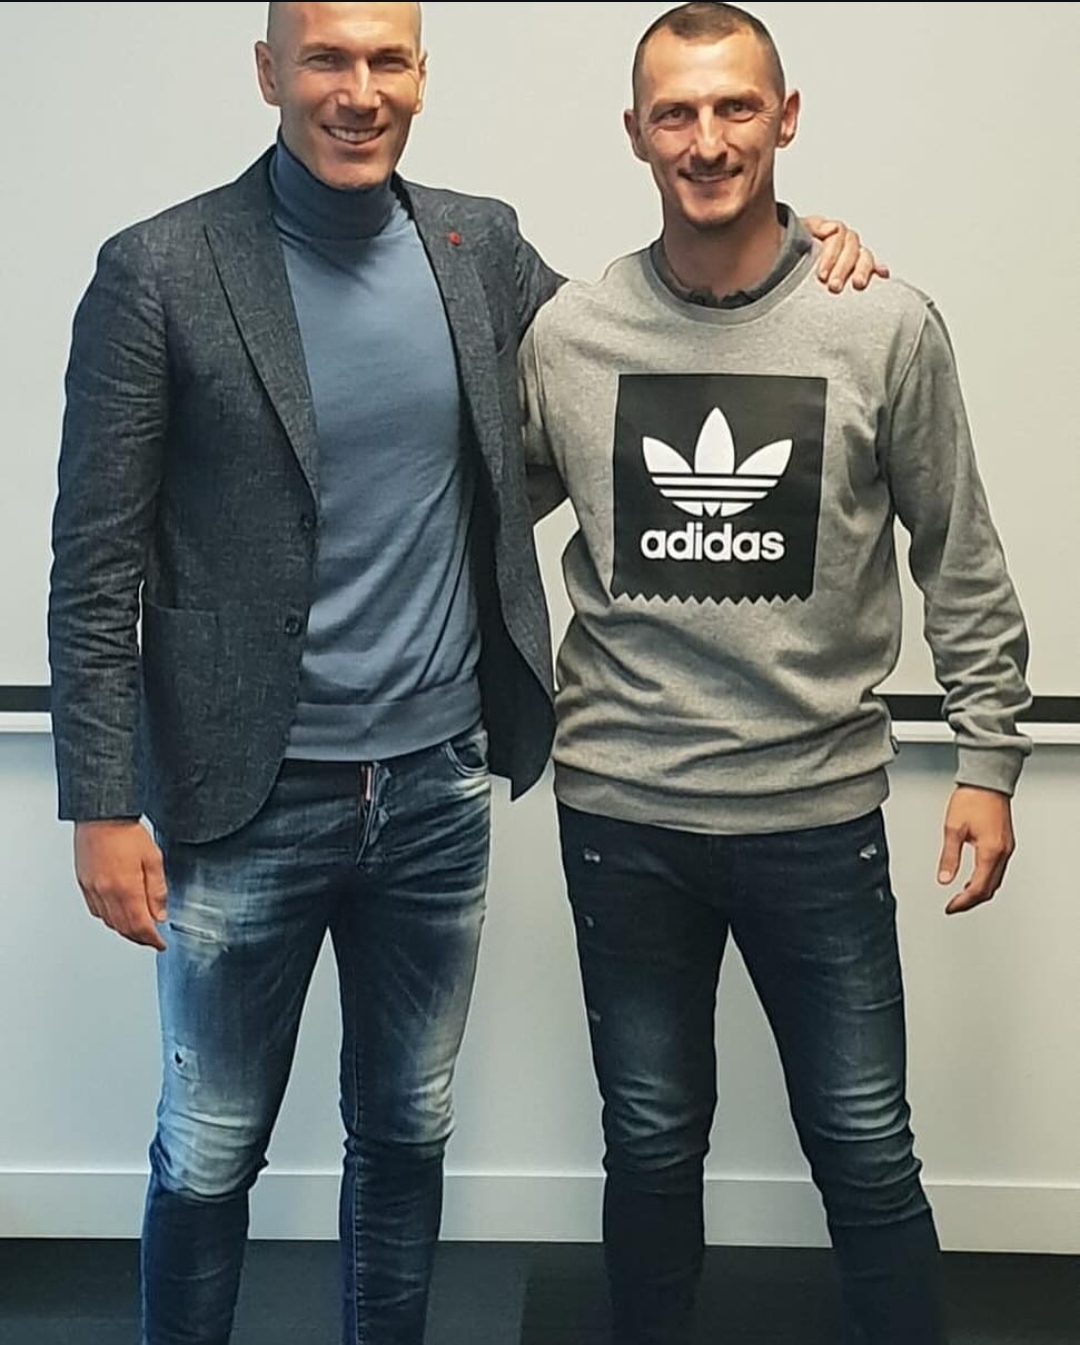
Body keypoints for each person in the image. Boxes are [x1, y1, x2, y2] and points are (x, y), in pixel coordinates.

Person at [47, 4, 883, 1343]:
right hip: (240, 796)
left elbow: (650, 332)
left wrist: (798, 244)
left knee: (405, 1131)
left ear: (422, 76)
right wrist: (100, 801)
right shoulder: (160, 269)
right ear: (270, 72)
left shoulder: (475, 246)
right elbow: (94, 562)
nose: (357, 90)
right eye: (326, 58)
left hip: (436, 788)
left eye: (387, 59)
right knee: (208, 1147)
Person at [519, 4, 1031, 1344]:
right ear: (636, 133)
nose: (707, 140)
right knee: (649, 1142)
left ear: (785, 118)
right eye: (676, 113)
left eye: (736, 107)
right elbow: (464, 509)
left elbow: (959, 551)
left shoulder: (882, 324)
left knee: (864, 1146)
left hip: (816, 812)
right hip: (623, 811)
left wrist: (988, 757)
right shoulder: (569, 335)